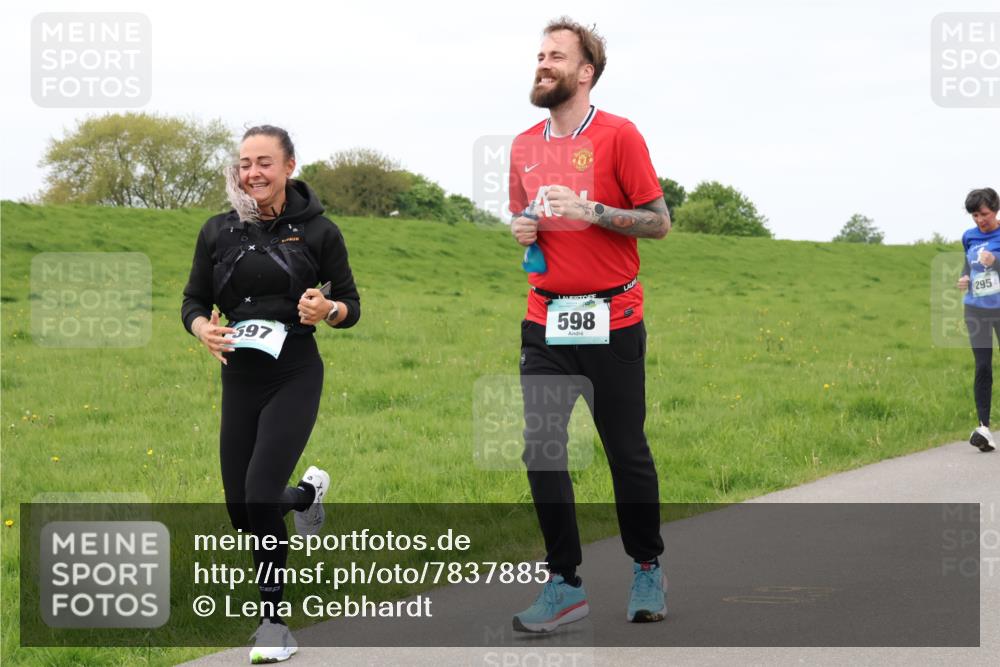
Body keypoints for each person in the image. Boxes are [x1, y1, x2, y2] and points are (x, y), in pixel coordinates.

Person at [507, 17, 672, 633]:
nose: (543, 63)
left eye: (557, 56)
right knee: (541, 450)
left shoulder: (620, 135)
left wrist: (595, 211)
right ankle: (564, 582)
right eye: (540, 54)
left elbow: (659, 223)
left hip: (614, 319)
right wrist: (524, 226)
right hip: (545, 320)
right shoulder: (523, 145)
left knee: (625, 452)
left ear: (585, 72)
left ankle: (647, 564)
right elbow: (524, 216)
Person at [181, 125, 361, 663]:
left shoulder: (319, 232)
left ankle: (273, 625)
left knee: (260, 492)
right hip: (239, 375)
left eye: (264, 162)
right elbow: (192, 300)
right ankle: (306, 497)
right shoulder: (217, 231)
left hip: (294, 372)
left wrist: (326, 310)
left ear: (288, 166)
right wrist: (201, 329)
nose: (252, 173)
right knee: (241, 510)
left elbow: (350, 305)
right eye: (244, 163)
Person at [957, 187, 1000, 453]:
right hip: (976, 309)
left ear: (995, 210)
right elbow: (968, 265)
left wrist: (996, 260)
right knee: (982, 367)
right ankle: (984, 428)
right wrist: (964, 278)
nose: (979, 220)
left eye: (983, 214)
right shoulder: (969, 237)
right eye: (974, 215)